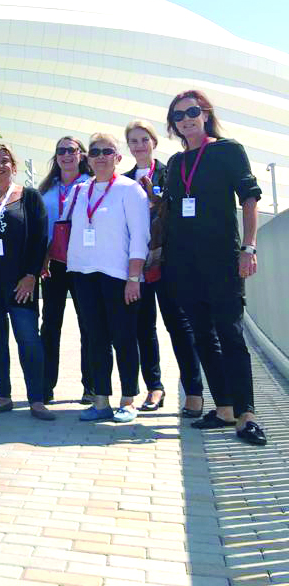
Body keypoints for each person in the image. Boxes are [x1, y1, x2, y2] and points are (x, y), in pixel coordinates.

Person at [162, 90, 266, 445]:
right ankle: (223, 408)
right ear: (172, 124)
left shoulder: (227, 150)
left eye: (193, 111)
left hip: (221, 260)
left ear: (206, 114)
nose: (186, 119)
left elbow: (249, 198)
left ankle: (247, 415)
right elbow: (172, 212)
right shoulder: (175, 163)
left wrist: (248, 248)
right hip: (184, 265)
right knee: (203, 336)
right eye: (179, 115)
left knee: (231, 334)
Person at [0, 143, 53, 420]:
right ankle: (3, 395)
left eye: (5, 161)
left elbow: (40, 239)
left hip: (21, 283)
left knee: (29, 340)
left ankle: (37, 400)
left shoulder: (29, 197)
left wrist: (31, 275)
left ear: (14, 167)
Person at [67, 133, 150, 424]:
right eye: (95, 152)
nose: (100, 156)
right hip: (84, 275)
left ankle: (128, 399)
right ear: (87, 159)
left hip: (118, 276)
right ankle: (100, 400)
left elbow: (140, 237)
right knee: (95, 339)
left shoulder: (130, 190)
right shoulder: (80, 190)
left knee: (124, 338)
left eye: (107, 151)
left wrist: (134, 277)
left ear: (117, 157)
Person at [123, 120, 203, 416]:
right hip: (138, 264)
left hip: (169, 263)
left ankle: (193, 391)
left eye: (144, 139)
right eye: (133, 141)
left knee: (179, 326)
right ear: (128, 147)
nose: (139, 145)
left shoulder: (171, 172)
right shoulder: (125, 180)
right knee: (143, 327)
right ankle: (154, 387)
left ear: (154, 142)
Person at [37, 136, 93, 405]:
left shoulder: (91, 185)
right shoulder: (47, 188)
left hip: (83, 264)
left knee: (89, 324)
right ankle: (45, 385)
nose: (66, 155)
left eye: (71, 150)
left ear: (81, 155)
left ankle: (91, 386)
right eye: (61, 151)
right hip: (54, 263)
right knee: (50, 325)